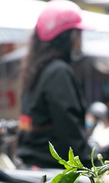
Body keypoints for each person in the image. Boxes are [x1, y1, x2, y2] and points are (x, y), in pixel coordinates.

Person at [16, 0, 93, 169]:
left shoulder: (36, 71)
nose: (80, 41)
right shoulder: (59, 72)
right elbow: (69, 129)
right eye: (78, 34)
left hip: (32, 166)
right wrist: (94, 164)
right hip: (53, 172)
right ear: (67, 36)